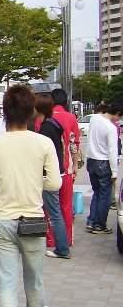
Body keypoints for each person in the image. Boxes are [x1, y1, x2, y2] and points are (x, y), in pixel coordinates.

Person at [0, 85, 61, 307]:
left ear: (5, 112)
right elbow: (55, 183)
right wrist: (34, 183)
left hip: (3, 220)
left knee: (6, 284)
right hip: (32, 219)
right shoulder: (43, 143)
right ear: (31, 112)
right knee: (34, 276)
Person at [34, 95, 70, 259]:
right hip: (57, 172)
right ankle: (61, 247)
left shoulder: (46, 129)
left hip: (49, 175)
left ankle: (62, 249)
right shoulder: (53, 124)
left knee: (54, 214)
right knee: (55, 212)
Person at [85, 102, 123, 234]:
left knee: (97, 193)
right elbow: (113, 151)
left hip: (91, 160)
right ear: (117, 113)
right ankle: (99, 225)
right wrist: (114, 172)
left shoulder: (94, 119)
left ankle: (91, 221)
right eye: (119, 117)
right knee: (104, 196)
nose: (118, 120)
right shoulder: (110, 127)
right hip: (103, 163)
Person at [51, 89, 81, 244]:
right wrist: (75, 165)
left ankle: (50, 239)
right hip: (66, 168)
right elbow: (74, 144)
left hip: (47, 170)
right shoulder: (71, 117)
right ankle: (67, 238)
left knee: (48, 207)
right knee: (66, 206)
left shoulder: (43, 118)